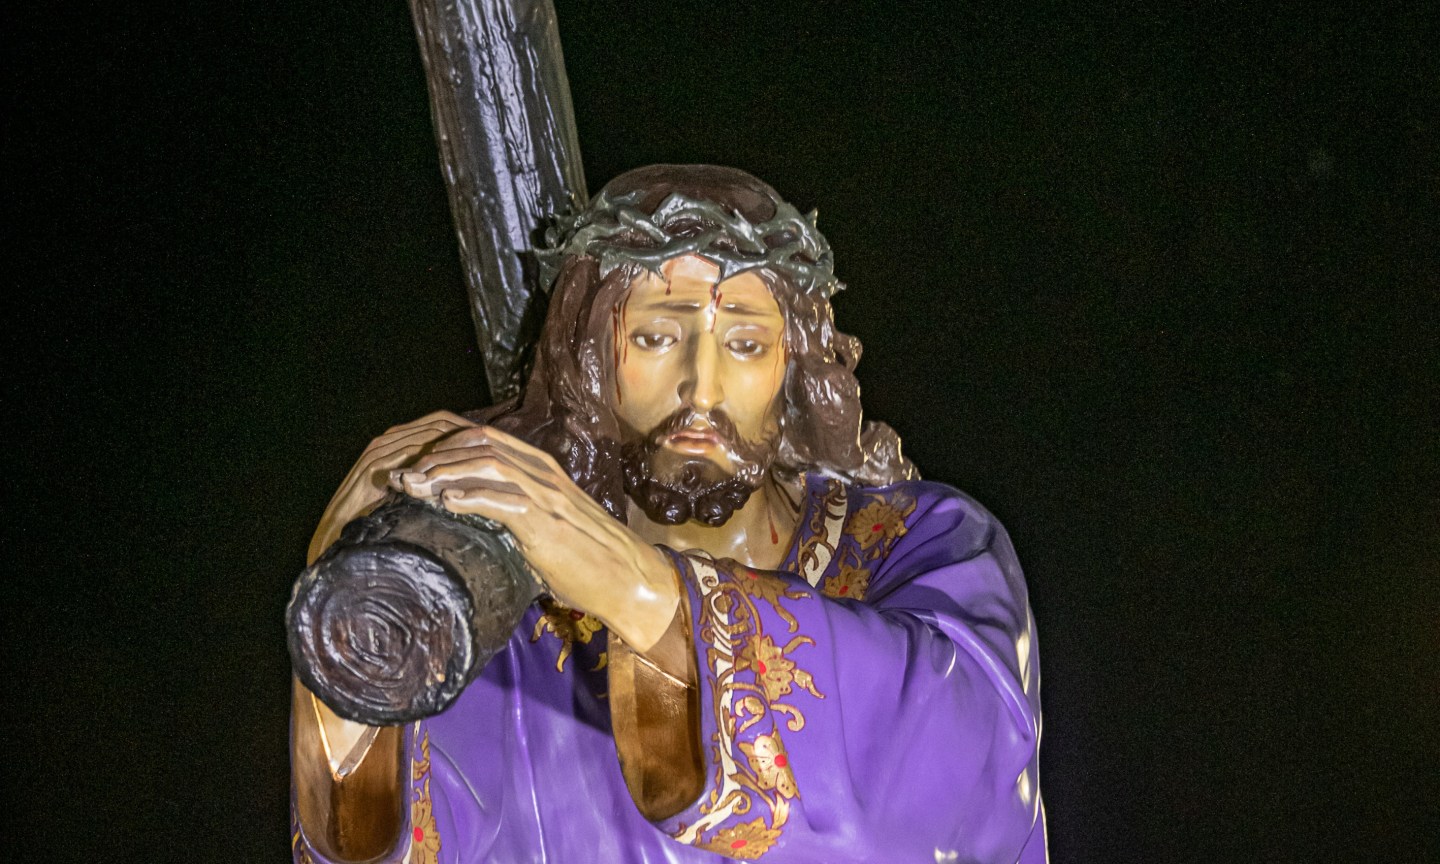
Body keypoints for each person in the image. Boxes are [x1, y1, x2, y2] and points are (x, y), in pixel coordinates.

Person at [291, 165, 1047, 863]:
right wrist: (343, 639)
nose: (701, 386)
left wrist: (640, 591)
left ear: (794, 370)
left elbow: (959, 761)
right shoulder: (512, 616)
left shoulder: (922, 546)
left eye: (746, 343)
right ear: (589, 360)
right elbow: (385, 841)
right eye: (655, 337)